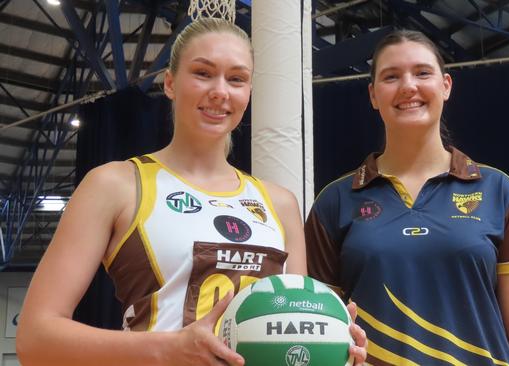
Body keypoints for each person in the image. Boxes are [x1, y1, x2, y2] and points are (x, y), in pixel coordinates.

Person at [17, 18, 366, 366]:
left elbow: (293, 335)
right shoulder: (115, 184)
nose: (220, 91)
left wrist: (331, 342)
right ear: (170, 83)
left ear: (248, 91)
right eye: (203, 73)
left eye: (236, 79)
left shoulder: (279, 202)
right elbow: (35, 339)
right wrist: (169, 349)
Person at [305, 29, 509, 366]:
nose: (408, 86)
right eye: (391, 76)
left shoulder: (499, 191)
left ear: (446, 86)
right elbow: (319, 336)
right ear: (373, 95)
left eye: (422, 73)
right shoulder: (335, 201)